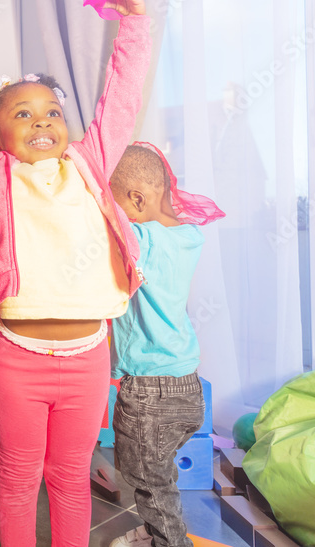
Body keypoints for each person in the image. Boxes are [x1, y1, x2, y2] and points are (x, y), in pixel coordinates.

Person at [0, 0, 150, 546]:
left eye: (52, 111)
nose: (42, 121)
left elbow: (120, 99)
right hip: (17, 360)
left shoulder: (89, 165)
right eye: (21, 114)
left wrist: (135, 26)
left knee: (70, 478)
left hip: (87, 359)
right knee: (20, 477)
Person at [107, 144, 223, 547]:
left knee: (148, 482)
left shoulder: (142, 238)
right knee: (161, 472)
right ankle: (160, 530)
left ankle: (169, 540)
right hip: (186, 384)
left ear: (136, 200)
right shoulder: (188, 235)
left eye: (119, 203)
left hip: (150, 391)